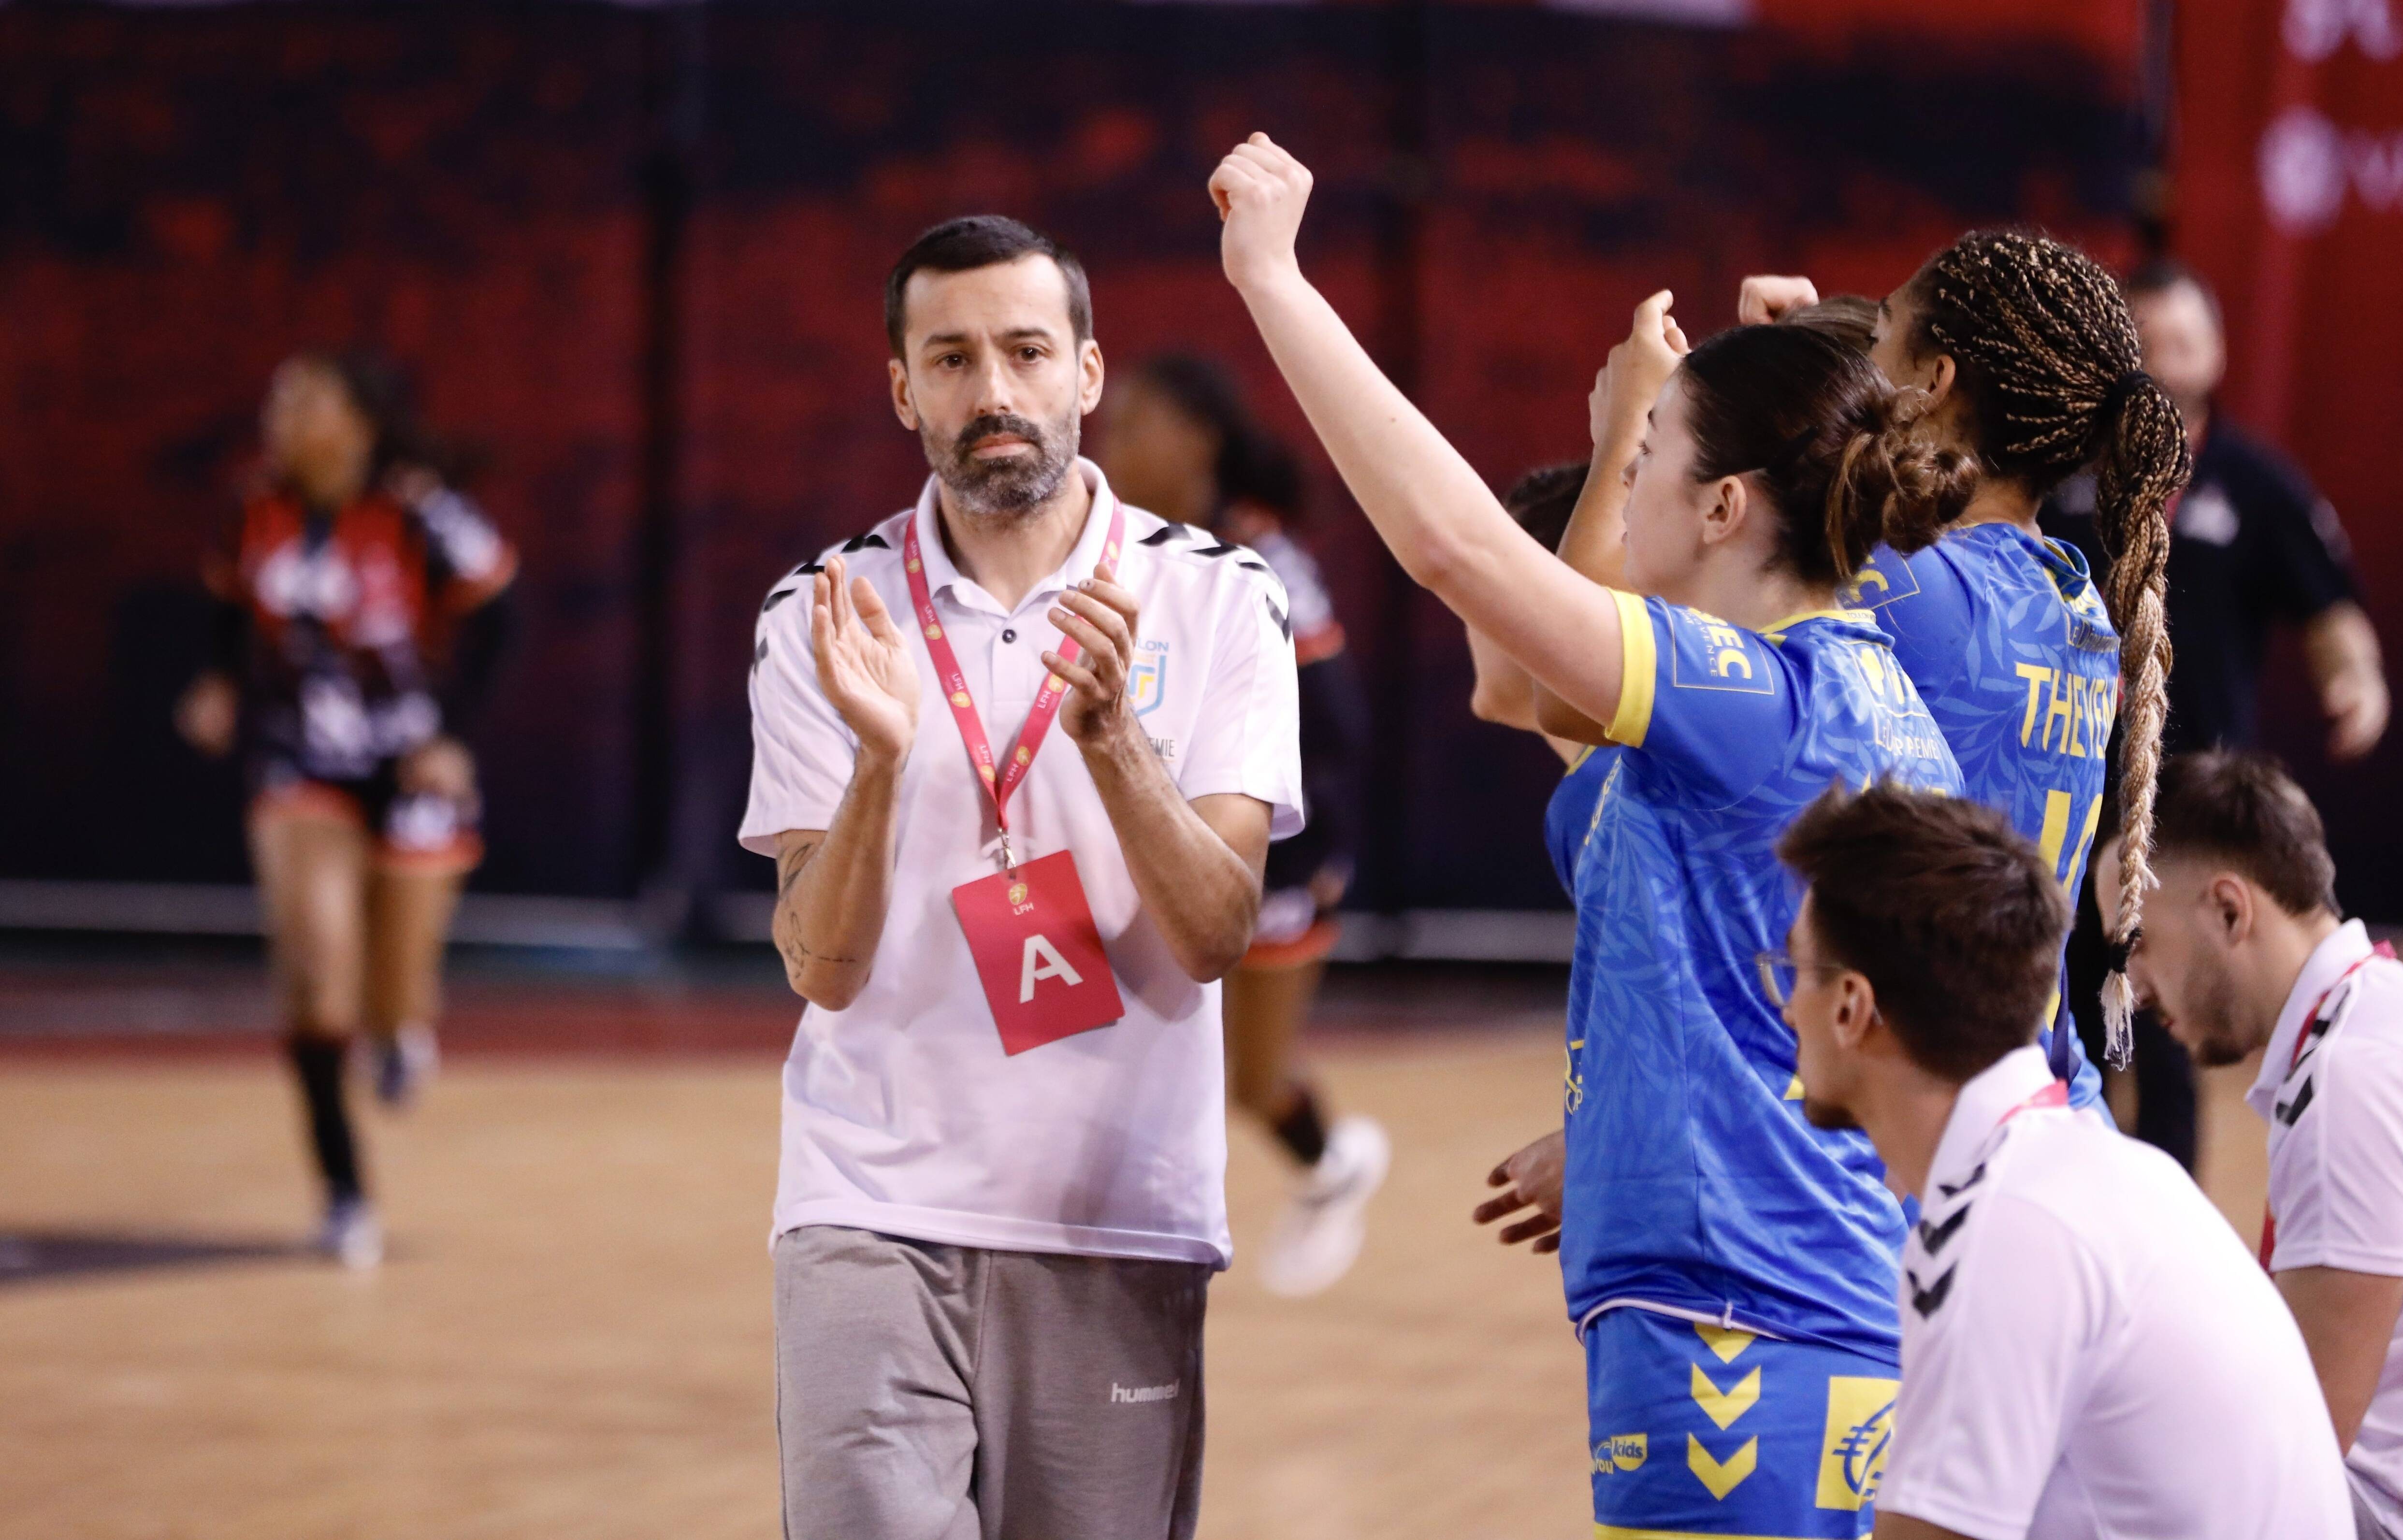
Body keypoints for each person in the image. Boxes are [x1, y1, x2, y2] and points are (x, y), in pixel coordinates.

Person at [1214, 132, 1968, 1538]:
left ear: (1728, 505)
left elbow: (1456, 553)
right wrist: (1635, 1125)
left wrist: (1273, 275)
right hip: (1785, 1310)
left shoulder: (1760, 701)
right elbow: (1516, 676)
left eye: (1657, 463)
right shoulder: (1812, 699)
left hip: (1747, 1341)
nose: (1624, 490)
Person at [739, 215, 1301, 1540]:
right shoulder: (822, 611)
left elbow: (1219, 930)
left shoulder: (1224, 600)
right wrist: (882, 762)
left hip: (1118, 1213)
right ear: (902, 389)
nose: (992, 392)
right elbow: (820, 965)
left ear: (1088, 374)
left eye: (1026, 351)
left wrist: (1113, 740)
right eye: (950, 359)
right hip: (867, 1200)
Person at [1776, 780, 2352, 1540]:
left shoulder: (2005, 1227)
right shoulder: (2089, 1171)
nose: (1785, 1007)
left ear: (1852, 1006)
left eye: (1794, 973)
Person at [1727, 236, 2193, 1097]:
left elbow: (1691, 546)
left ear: (1933, 381)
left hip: (1923, 1102)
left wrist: (1767, 376)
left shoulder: (1910, 587)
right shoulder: (2075, 600)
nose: (1863, 362)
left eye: (1880, 337)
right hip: (2037, 1079)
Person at [2045, 258, 2391, 1172]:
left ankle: (2166, 1226)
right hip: (2070, 799)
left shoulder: (2256, 483)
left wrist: (2357, 681)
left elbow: (2331, 612)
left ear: (2218, 353)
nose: (2162, 361)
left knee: (2163, 1035)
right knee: (2064, 1023)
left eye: (2181, 342)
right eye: (2144, 341)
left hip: (2190, 818)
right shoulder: (2064, 477)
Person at [174, 350, 516, 1269]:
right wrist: (215, 681)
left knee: (394, 991)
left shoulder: (418, 508)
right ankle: (343, 1188)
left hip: (409, 764)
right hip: (300, 761)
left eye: (308, 402)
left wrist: (450, 735)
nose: (284, 418)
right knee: (315, 965)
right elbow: (223, 605)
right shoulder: (256, 506)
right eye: (279, 400)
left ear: (359, 421)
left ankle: (402, 1028)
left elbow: (496, 610)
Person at [1095, 353, 1386, 1298]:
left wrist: (1309, 854)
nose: (1111, 443)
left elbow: (1337, 721)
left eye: (1133, 423)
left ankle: (1334, 1163)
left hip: (1278, 852)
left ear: (1198, 441)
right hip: (1151, 842)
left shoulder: (1260, 559)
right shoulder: (1112, 548)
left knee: (1254, 1084)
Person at [2110, 750, 2403, 1539]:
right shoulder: (2373, 1020)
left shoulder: (2349, 1075)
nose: (2133, 987)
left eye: (2137, 942)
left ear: (2228, 911)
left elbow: (2302, 1450)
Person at [1465, 463, 1599, 1259]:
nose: (1467, 609)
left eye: (1492, 578)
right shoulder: (1592, 789)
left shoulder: (1630, 789)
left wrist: (1616, 1147)